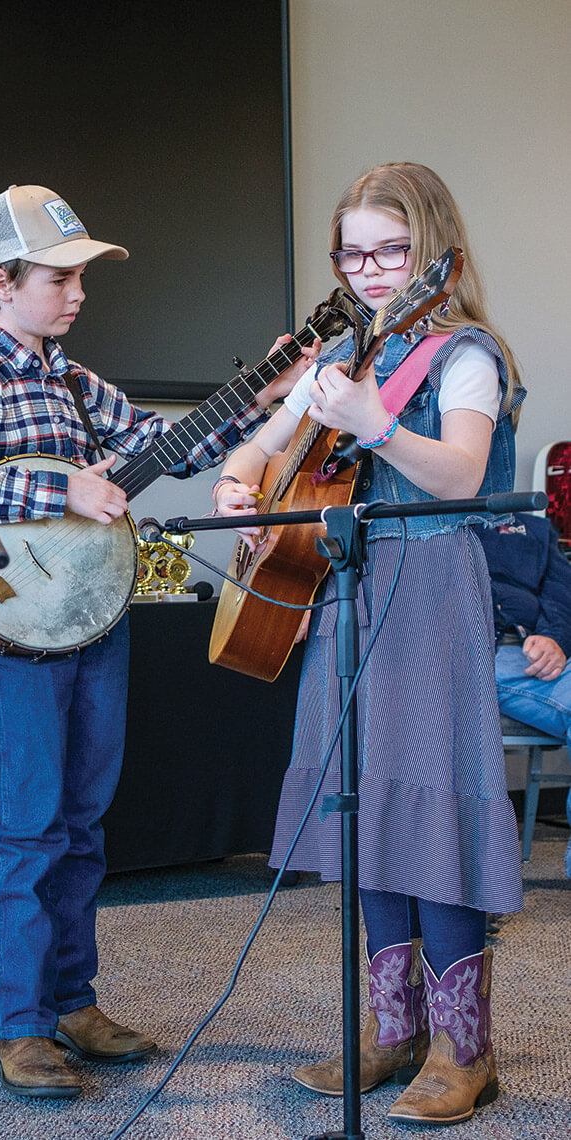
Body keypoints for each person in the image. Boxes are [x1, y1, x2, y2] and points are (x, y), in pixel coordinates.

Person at [0, 184, 308, 1099]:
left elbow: (173, 446)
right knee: (28, 828)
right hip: (22, 640)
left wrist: (272, 389)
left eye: (81, 277)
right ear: (0, 282)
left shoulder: (74, 380)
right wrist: (63, 494)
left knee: (85, 823)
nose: (79, 293)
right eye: (60, 278)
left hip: (98, 625)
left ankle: (72, 1000)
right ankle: (19, 1027)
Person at [213, 161, 526, 1126]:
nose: (372, 268)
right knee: (366, 805)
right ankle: (392, 1032)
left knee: (431, 808)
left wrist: (374, 422)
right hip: (347, 593)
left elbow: (460, 473)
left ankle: (462, 1051)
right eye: (354, 252)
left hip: (431, 586)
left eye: (391, 249)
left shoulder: (465, 353)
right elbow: (255, 449)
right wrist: (240, 488)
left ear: (433, 250)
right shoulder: (340, 362)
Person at [476, 512, 571, 875]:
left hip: (538, 645)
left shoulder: (531, 526)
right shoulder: (434, 520)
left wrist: (555, 638)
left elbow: (562, 591)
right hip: (484, 651)